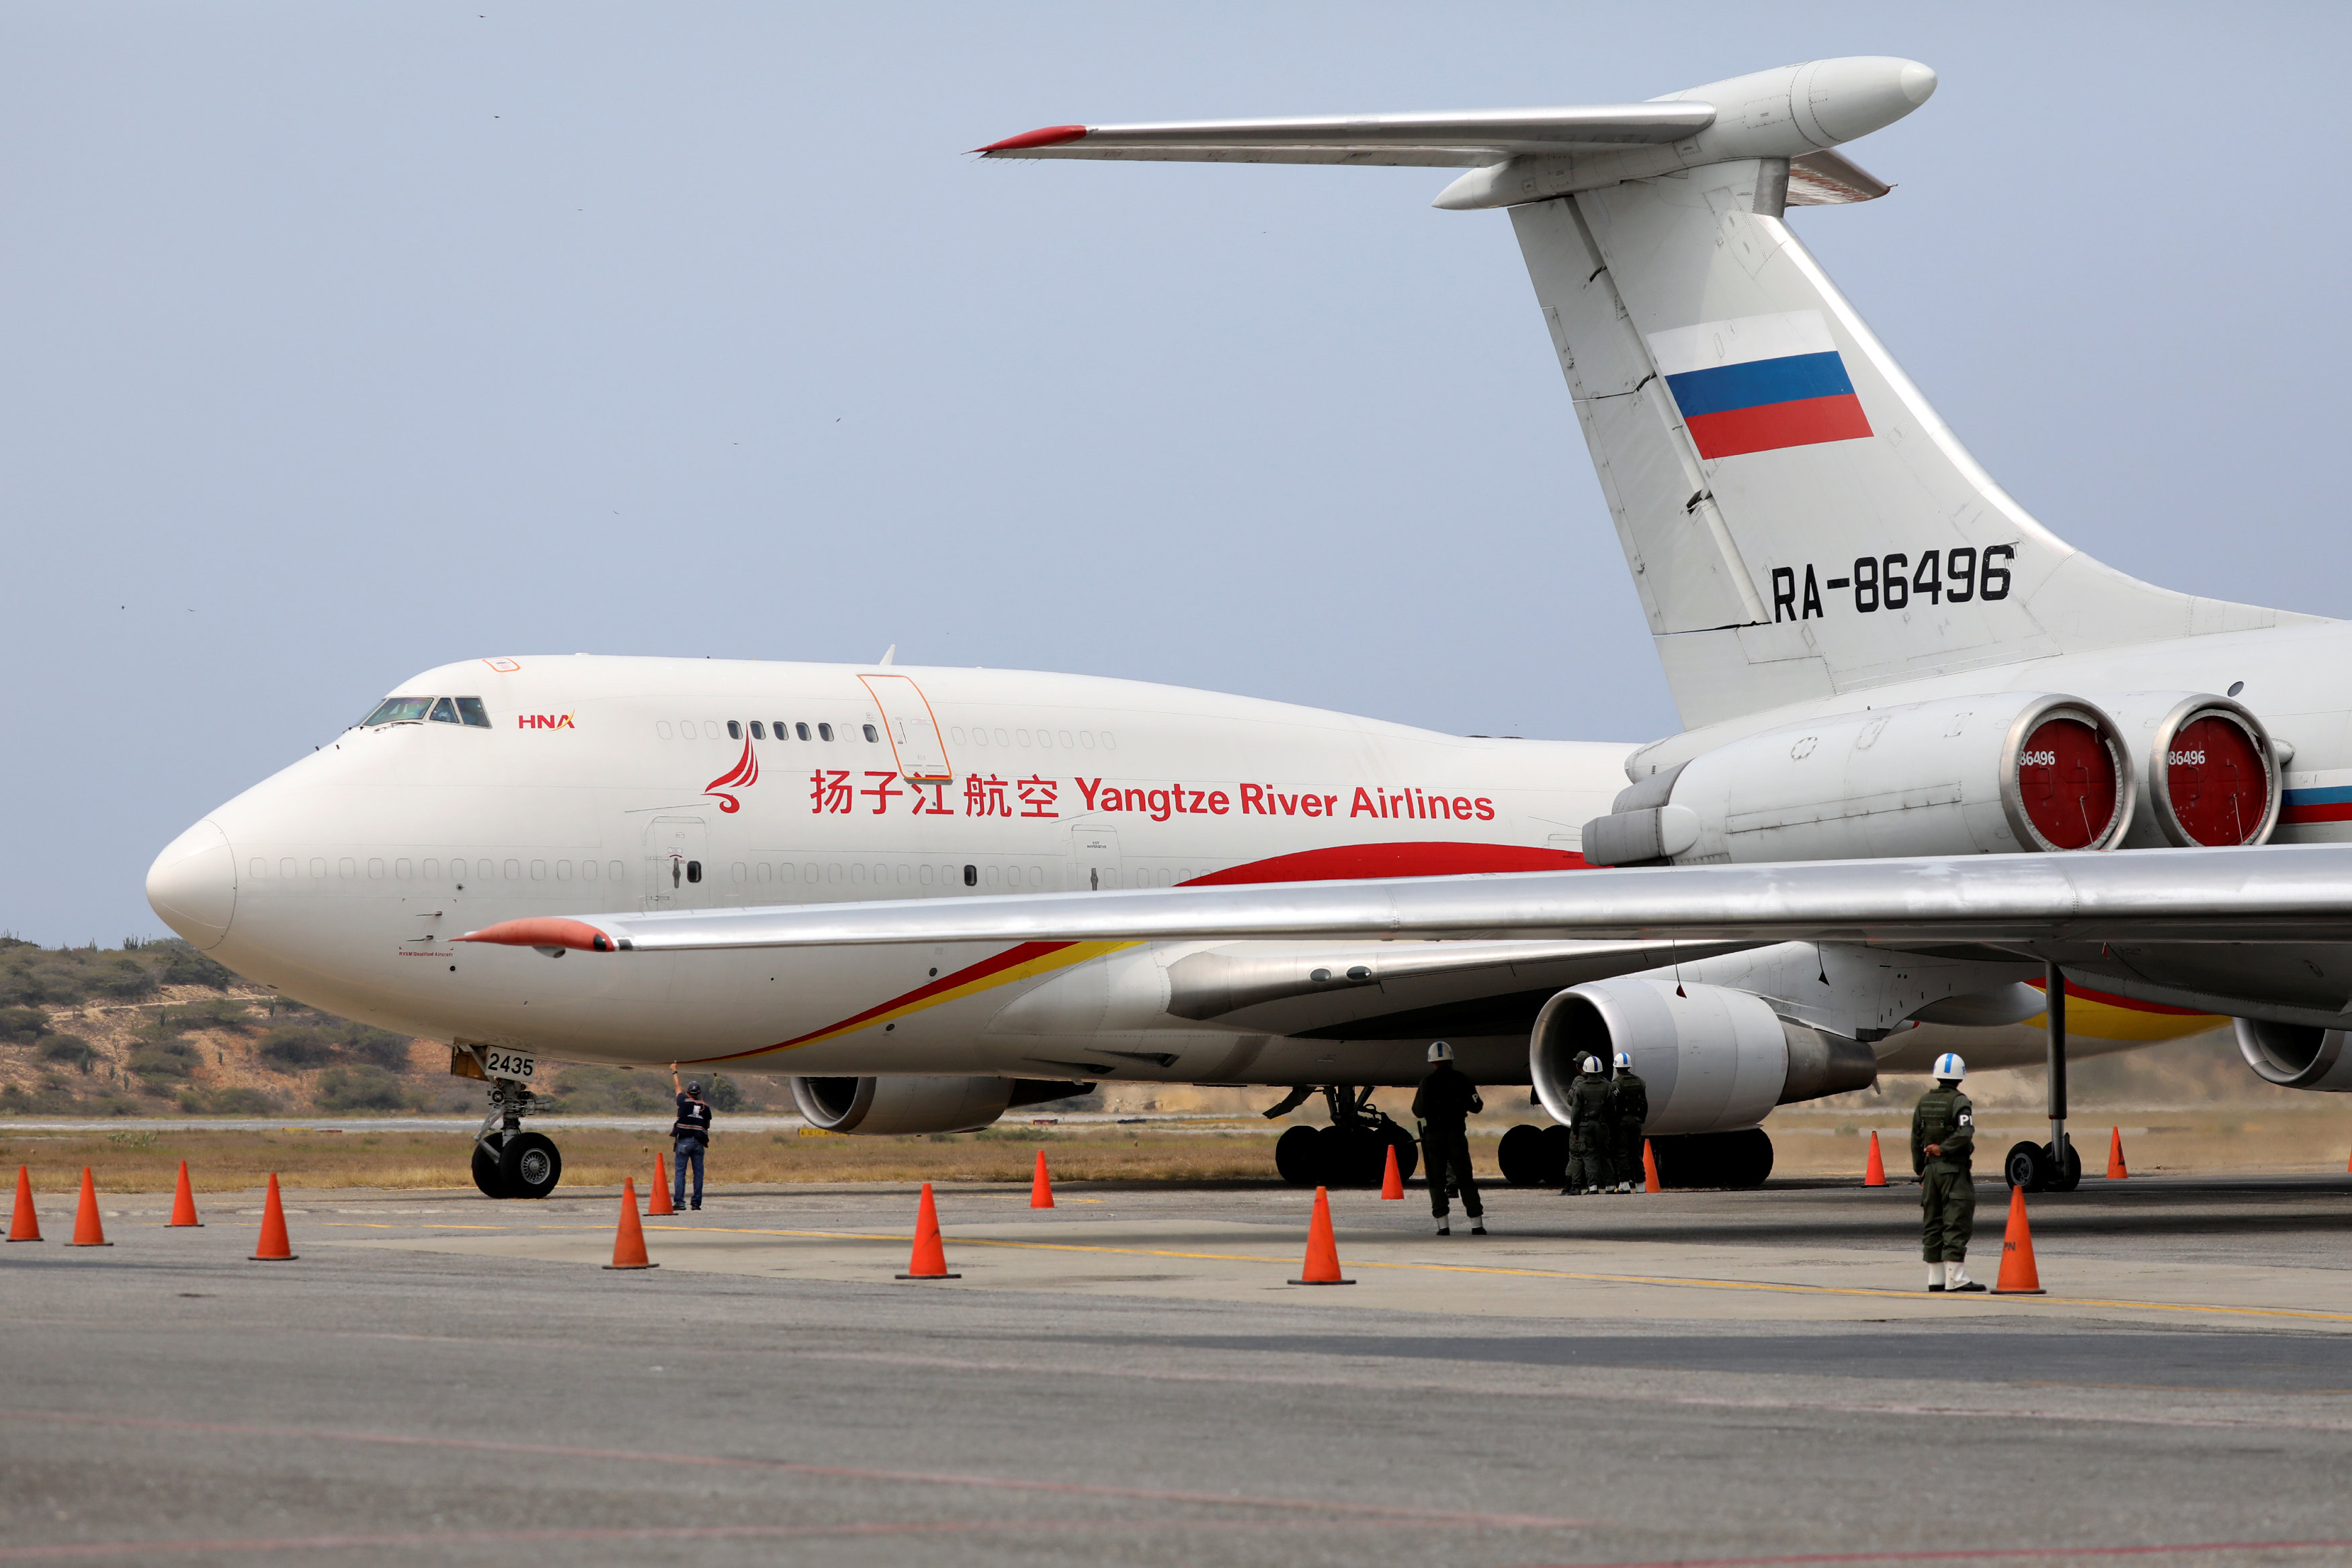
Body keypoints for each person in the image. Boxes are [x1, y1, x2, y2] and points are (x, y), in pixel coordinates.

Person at [1912, 1053, 1982, 1292]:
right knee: (1956, 1220)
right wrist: (1944, 1149)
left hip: (1930, 1172)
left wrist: (1922, 1170)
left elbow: (1916, 1139)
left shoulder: (1923, 1102)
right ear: (1960, 1078)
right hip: (1954, 1171)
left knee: (1933, 1223)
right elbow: (1964, 1135)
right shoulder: (1960, 1102)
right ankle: (1956, 1278)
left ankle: (1936, 1279)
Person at [1411, 1041, 1485, 1236]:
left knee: (1436, 1180)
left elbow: (1417, 1111)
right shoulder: (1463, 1080)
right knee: (1465, 1179)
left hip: (1434, 1137)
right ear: (1451, 1059)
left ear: (1432, 1062)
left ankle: (1443, 1226)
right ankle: (1476, 1224)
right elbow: (1477, 1106)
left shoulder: (1427, 1083)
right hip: (1456, 1135)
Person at [1564, 1054, 1615, 1194]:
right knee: (1605, 1155)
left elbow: (1575, 1111)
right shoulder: (1607, 1086)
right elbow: (1612, 1109)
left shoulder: (1581, 1087)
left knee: (1589, 1156)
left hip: (1585, 1127)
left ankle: (1593, 1187)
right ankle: (1610, 1186)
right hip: (1602, 1126)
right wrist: (1611, 1128)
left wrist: (1575, 1131)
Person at [669, 1062, 714, 1212]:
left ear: (688, 1092)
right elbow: (707, 1125)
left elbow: (677, 1088)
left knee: (680, 1173)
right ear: (699, 1093)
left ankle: (680, 1203)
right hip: (699, 1143)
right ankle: (696, 1204)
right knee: (698, 1174)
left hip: (683, 1142)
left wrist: (674, 1071)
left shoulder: (683, 1101)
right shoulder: (705, 1107)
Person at [1608, 1051, 1648, 1193]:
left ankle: (1624, 1184)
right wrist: (1640, 1119)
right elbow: (1644, 1104)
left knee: (1622, 1153)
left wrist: (1613, 1124)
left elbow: (1612, 1106)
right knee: (1636, 1152)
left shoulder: (1616, 1085)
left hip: (1622, 1122)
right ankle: (1641, 1185)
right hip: (1636, 1121)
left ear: (1617, 1068)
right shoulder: (1640, 1082)